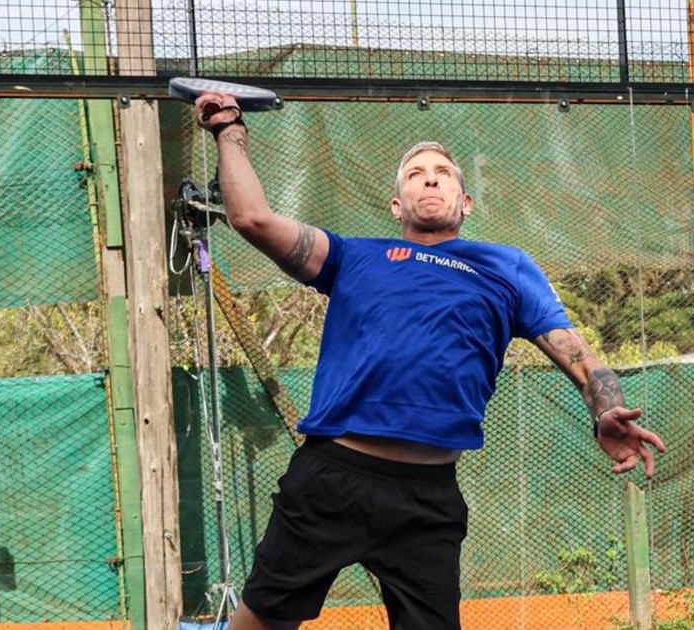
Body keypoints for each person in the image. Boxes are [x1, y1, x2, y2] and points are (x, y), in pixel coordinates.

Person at [193, 93, 667, 630]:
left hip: (428, 496)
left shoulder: (506, 267)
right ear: (398, 205)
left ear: (466, 202)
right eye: (415, 175)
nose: (430, 179)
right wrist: (229, 129)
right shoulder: (353, 256)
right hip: (333, 478)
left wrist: (605, 409)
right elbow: (252, 219)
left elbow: (584, 361)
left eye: (443, 173)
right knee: (261, 621)